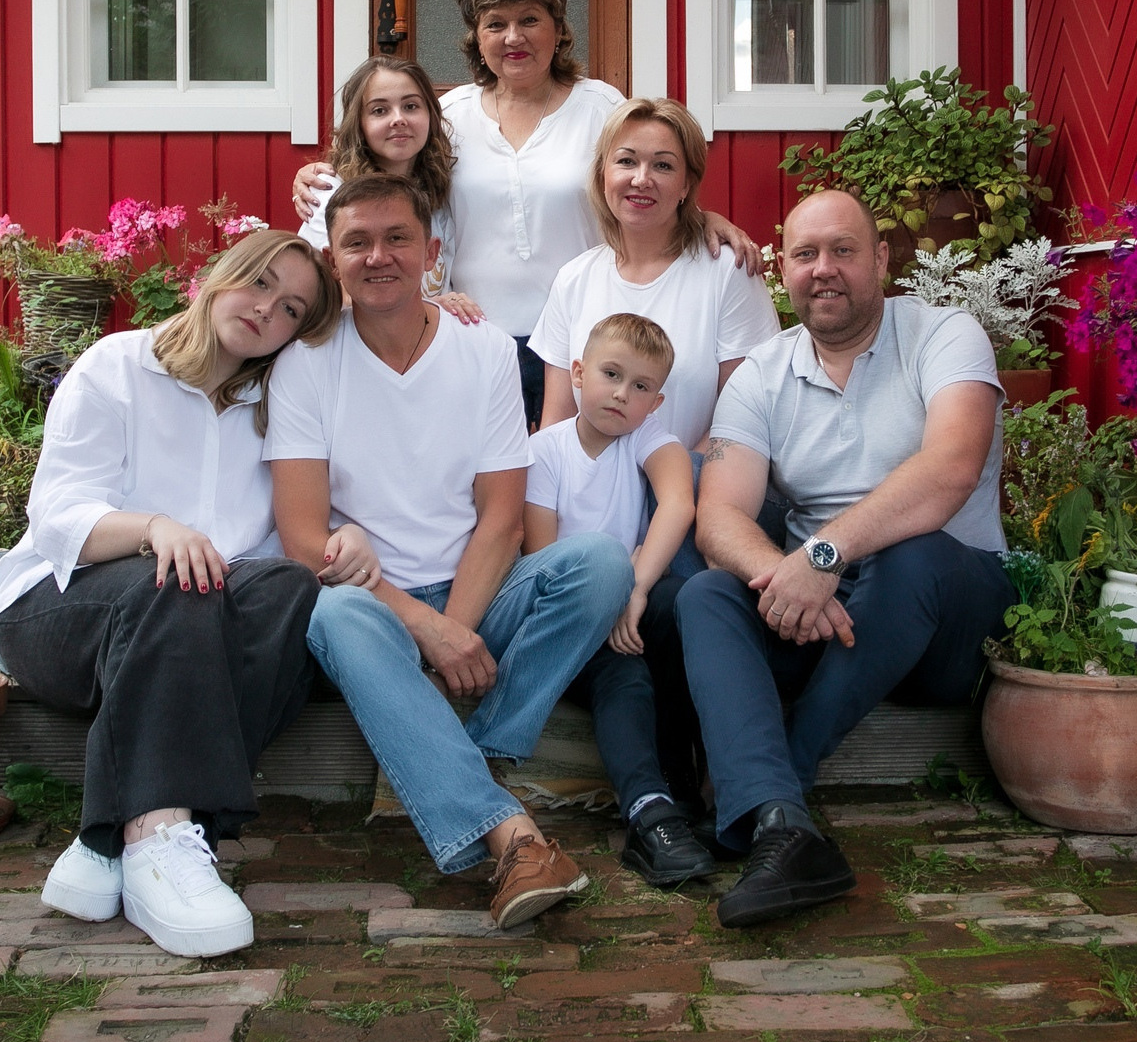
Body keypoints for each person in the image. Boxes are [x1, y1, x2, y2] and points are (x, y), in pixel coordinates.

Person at [266, 173, 635, 928]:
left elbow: (501, 519)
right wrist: (426, 629)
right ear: (332, 260)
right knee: (333, 614)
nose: (378, 257)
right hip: (372, 610)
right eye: (356, 243)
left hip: (474, 592)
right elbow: (304, 540)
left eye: (397, 238)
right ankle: (511, 836)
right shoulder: (306, 362)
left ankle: (470, 745)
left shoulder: (485, 348)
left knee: (597, 562)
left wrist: (453, 630)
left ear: (431, 251)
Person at [677, 189, 1016, 929]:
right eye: (803, 255)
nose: (822, 270)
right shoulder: (762, 374)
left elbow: (949, 471)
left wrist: (823, 552)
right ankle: (778, 822)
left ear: (881, 260)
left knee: (913, 553)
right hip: (821, 615)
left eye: (842, 250)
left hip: (945, 619)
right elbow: (719, 515)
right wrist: (785, 575)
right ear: (782, 272)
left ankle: (781, 784)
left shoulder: (942, 335)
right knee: (705, 595)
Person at [0, 230, 341, 958]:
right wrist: (155, 527)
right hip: (58, 614)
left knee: (285, 586)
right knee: (181, 582)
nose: (264, 310)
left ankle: (115, 844)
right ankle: (153, 837)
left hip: (188, 633)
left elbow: (286, 539)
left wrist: (353, 538)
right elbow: (58, 519)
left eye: (289, 309)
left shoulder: (272, 407)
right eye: (258, 284)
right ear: (222, 275)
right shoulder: (118, 366)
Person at [293, 0, 760, 426]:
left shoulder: (599, 107)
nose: (513, 37)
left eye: (529, 19)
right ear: (477, 37)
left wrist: (702, 217)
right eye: (495, 23)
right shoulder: (448, 116)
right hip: (475, 336)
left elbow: (647, 174)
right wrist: (323, 176)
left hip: (586, 343)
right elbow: (394, 177)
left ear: (557, 30)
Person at [523, 312, 716, 887]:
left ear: (654, 404)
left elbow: (678, 503)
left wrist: (634, 590)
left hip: (624, 607)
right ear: (577, 373)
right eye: (610, 374)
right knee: (624, 674)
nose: (620, 394)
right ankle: (650, 814)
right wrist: (610, 597)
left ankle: (688, 786)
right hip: (562, 619)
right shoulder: (545, 451)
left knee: (685, 604)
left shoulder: (647, 438)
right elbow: (543, 560)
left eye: (640, 387)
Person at [531, 97, 780, 452]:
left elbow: (745, 416)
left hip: (697, 489)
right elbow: (557, 423)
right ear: (603, 174)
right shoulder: (574, 279)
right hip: (589, 497)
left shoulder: (728, 273)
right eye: (626, 161)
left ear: (685, 185)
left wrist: (672, 488)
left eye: (662, 166)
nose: (641, 179)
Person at [295, 56, 479, 320]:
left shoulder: (440, 191)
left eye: (411, 106)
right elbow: (345, 296)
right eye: (379, 110)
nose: (398, 119)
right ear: (359, 123)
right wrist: (432, 309)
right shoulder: (331, 193)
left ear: (430, 116)